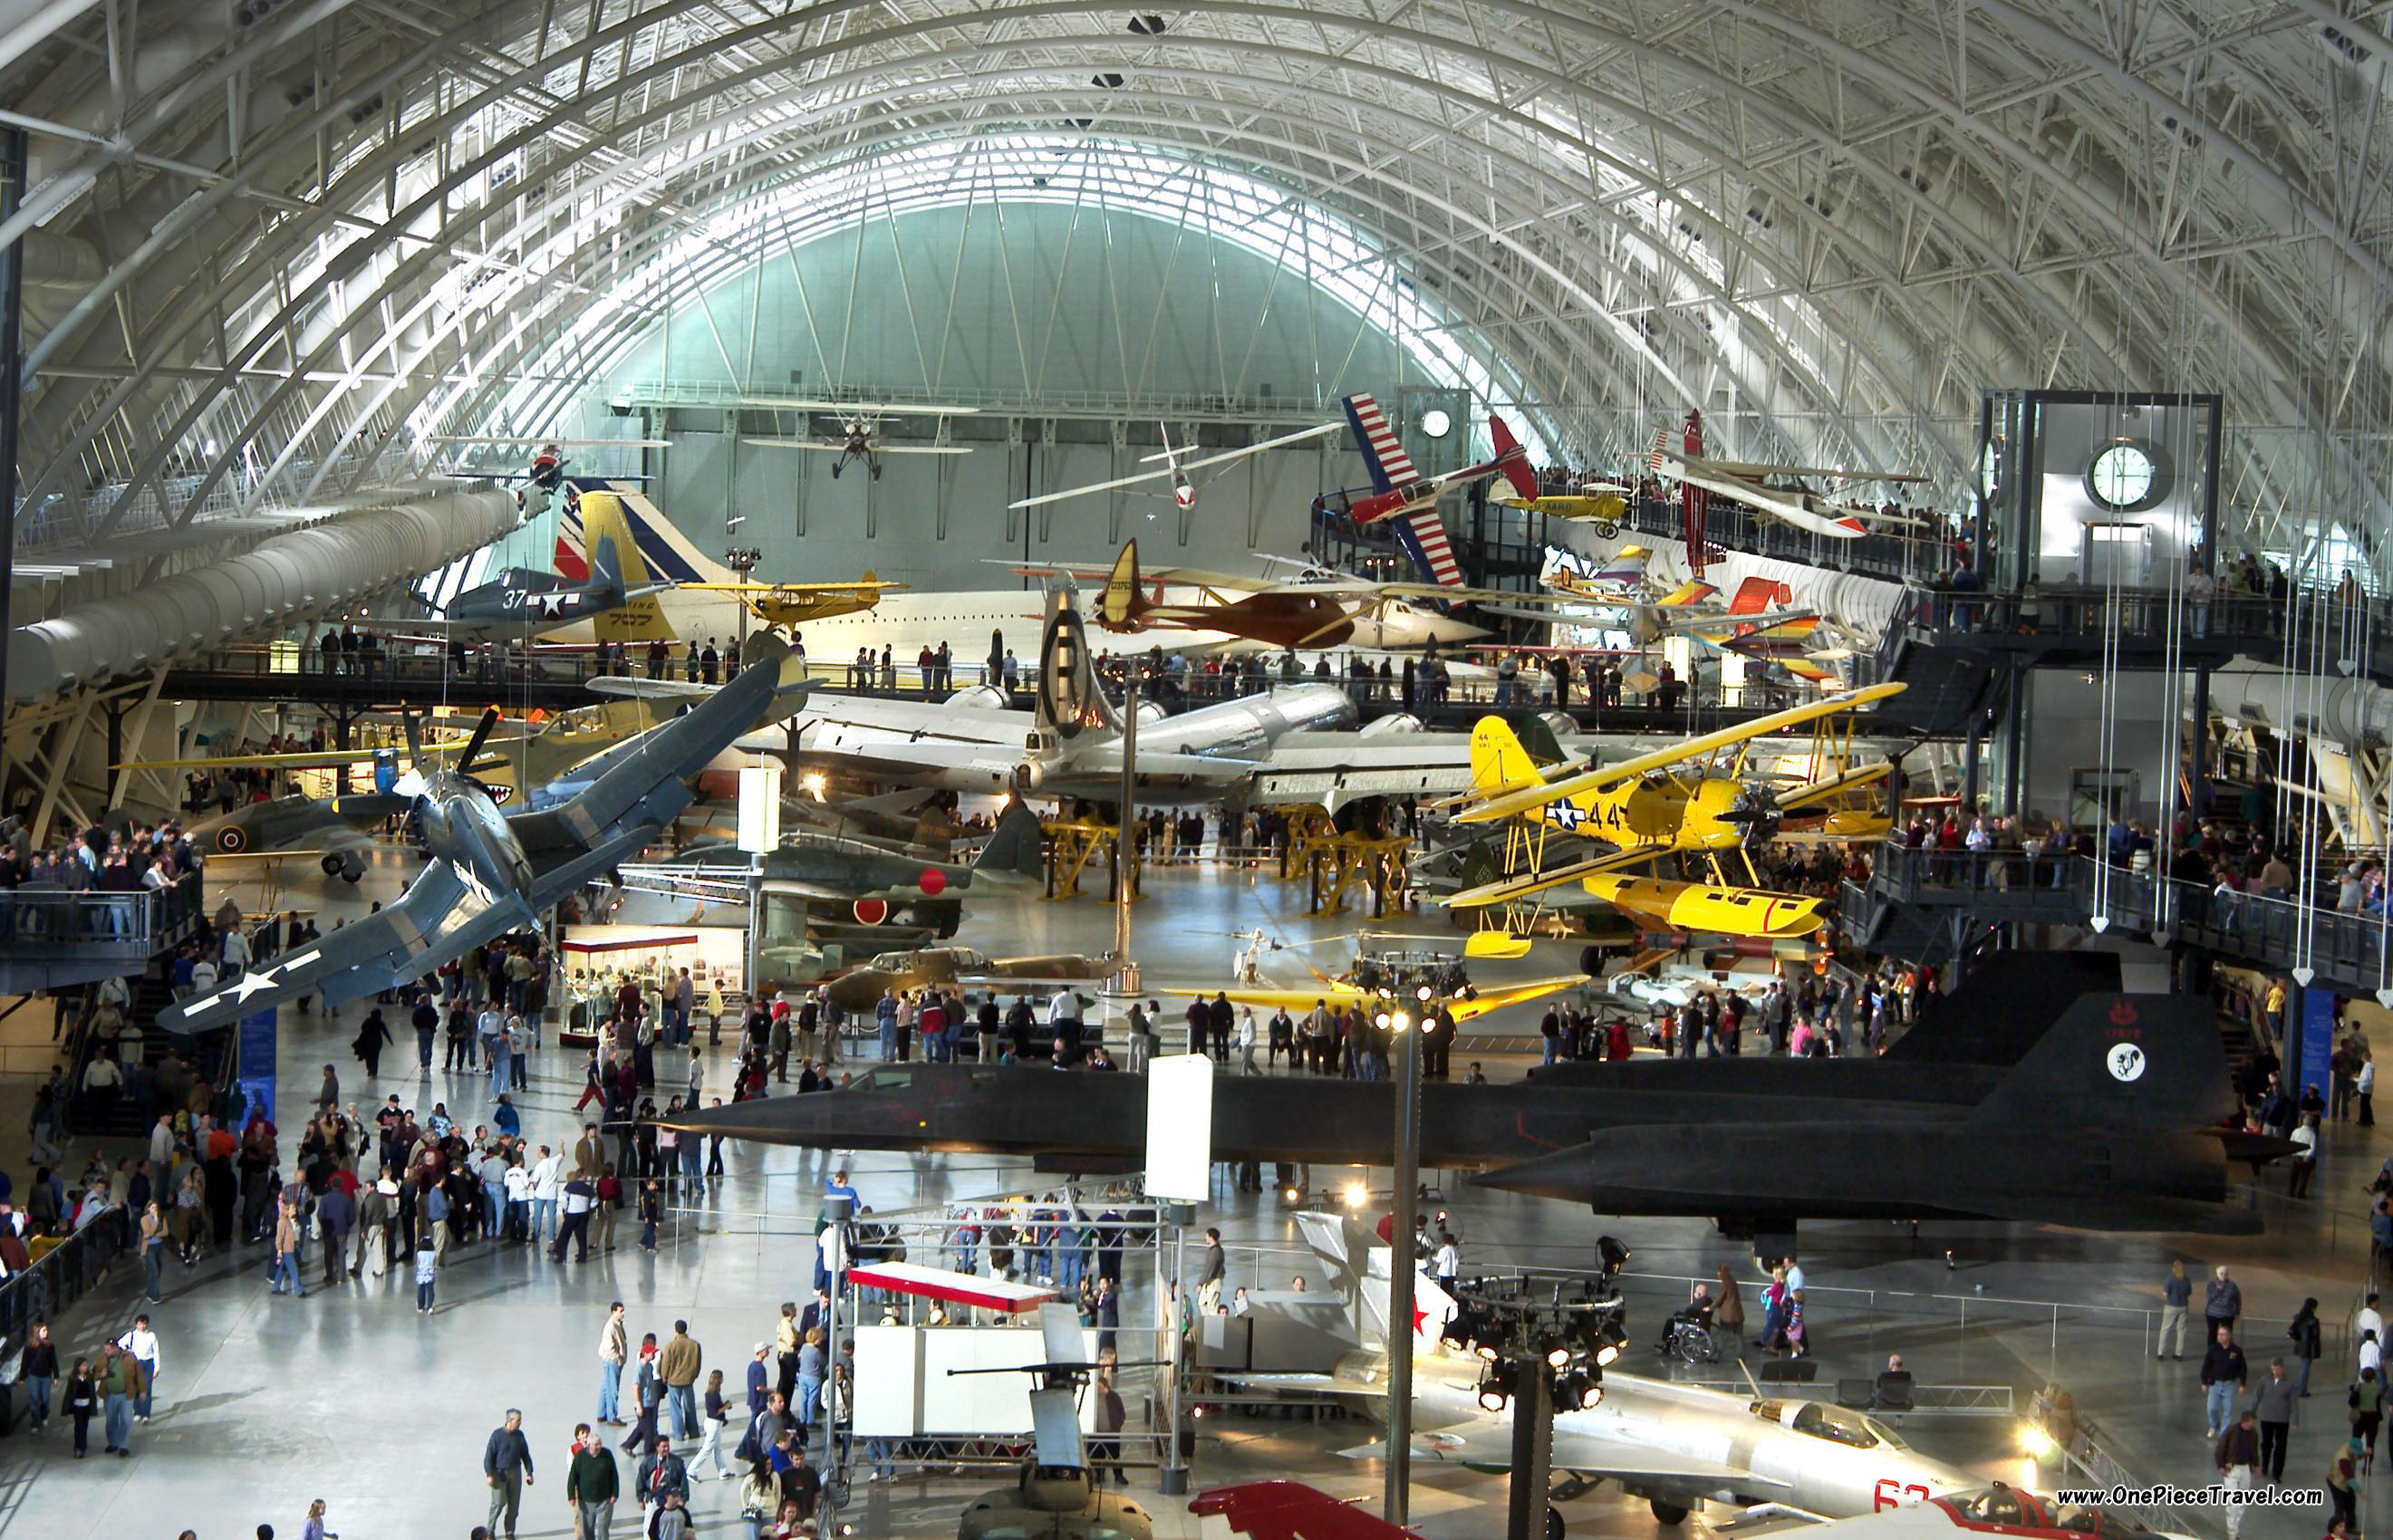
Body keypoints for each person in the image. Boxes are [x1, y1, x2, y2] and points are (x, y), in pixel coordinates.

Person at [484, 1407, 536, 1540]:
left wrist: (529, 1472)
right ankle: (490, 1530)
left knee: (514, 1504)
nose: (520, 1423)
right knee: (499, 1503)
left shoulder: (520, 1435)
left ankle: (509, 1532)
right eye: (518, 1420)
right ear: (510, 1420)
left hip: (515, 1472)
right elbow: (489, 1457)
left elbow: (525, 1455)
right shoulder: (497, 1435)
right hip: (499, 1473)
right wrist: (489, 1474)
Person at [568, 1422, 620, 1540]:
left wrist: (614, 1494)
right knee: (586, 1530)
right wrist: (571, 1495)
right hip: (586, 1501)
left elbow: (614, 1476)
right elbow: (573, 1476)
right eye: (595, 1445)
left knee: (603, 1529)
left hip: (605, 1501)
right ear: (589, 1445)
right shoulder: (580, 1456)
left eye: (599, 1444)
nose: (598, 1447)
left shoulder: (607, 1454)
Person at [2216, 1409, 2258, 1539]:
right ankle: (2232, 1532)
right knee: (2233, 1501)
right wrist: (2221, 1466)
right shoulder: (2231, 1432)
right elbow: (2220, 1449)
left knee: (2244, 1500)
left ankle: (2235, 1527)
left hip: (2245, 1468)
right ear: (2244, 1422)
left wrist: (2256, 1465)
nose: (2252, 1425)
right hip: (2231, 1469)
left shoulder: (2253, 1433)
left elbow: (2254, 1451)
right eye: (2251, 1423)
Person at [659, 1319, 703, 1440]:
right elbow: (698, 1364)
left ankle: (679, 1434)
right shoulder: (694, 1345)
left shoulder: (671, 1346)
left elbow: (665, 1364)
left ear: (675, 1330)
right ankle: (693, 1431)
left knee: (675, 1408)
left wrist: (664, 1378)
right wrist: (693, 1376)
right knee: (690, 1406)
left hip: (673, 1382)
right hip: (688, 1381)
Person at [2202, 1323, 2248, 1439]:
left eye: (2223, 1334)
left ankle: (2224, 1433)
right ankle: (2214, 1425)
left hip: (2229, 1385)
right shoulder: (2213, 1350)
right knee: (2211, 1408)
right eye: (2219, 1334)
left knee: (2227, 1410)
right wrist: (2204, 1382)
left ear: (2229, 1336)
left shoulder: (2236, 1351)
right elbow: (2206, 1367)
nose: (2220, 1336)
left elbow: (2242, 1368)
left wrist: (2242, 1383)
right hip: (2215, 1384)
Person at [116, 1313, 160, 1423]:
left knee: (146, 1389)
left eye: (144, 1323)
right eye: (140, 1324)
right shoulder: (131, 1335)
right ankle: (137, 1412)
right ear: (136, 1324)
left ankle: (146, 1415)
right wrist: (126, 1351)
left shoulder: (151, 1336)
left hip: (148, 1364)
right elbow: (118, 1345)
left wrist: (157, 1368)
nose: (142, 1326)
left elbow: (156, 1352)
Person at [20, 1321, 58, 1433]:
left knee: (45, 1400)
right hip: (33, 1376)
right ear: (37, 1332)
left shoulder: (50, 1346)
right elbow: (25, 1362)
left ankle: (44, 1415)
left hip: (46, 1376)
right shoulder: (29, 1347)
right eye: (44, 1330)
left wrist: (56, 1376)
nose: (46, 1332)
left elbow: (53, 1361)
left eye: (46, 1330)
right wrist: (22, 1378)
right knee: (34, 1398)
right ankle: (35, 1423)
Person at [694, 1367, 731, 1480]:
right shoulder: (713, 1395)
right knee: (707, 1448)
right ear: (718, 1379)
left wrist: (724, 1405)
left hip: (715, 1423)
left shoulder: (712, 1393)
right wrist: (726, 1406)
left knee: (717, 1449)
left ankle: (723, 1471)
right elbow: (715, 1412)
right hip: (713, 1424)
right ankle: (691, 1471)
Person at [599, 1302, 630, 1425]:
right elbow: (609, 1347)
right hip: (613, 1361)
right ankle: (612, 1417)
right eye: (620, 1311)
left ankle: (602, 1414)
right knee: (613, 1389)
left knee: (606, 1386)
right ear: (613, 1312)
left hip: (610, 1360)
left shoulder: (617, 1324)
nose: (623, 1313)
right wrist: (619, 1359)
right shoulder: (611, 1327)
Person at [63, 1355, 96, 1458]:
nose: (86, 1367)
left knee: (84, 1426)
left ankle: (83, 1447)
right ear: (78, 1367)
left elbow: (92, 1392)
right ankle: (78, 1447)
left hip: (86, 1405)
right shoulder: (73, 1379)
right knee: (78, 1426)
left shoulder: (90, 1377)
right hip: (77, 1406)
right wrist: (67, 1406)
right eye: (84, 1365)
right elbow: (69, 1393)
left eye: (86, 1365)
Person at [2292, 1297, 2324, 1398]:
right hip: (2309, 1348)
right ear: (2313, 1308)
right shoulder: (2314, 1321)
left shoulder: (2298, 1317)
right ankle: (2302, 1391)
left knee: (2303, 1368)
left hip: (2300, 1346)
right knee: (2305, 1369)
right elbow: (2315, 1334)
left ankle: (2298, 1387)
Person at [2159, 1259, 2191, 1359]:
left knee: (2165, 1329)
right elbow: (2189, 1293)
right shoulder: (2187, 1279)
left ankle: (2160, 1353)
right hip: (2183, 1307)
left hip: (2171, 1306)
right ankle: (2179, 1353)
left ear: (2174, 1269)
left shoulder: (2170, 1279)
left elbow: (2165, 1293)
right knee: (2181, 1331)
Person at [415, 1227, 438, 1314]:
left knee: (421, 1290)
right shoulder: (433, 1253)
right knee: (430, 1290)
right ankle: (430, 1307)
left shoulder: (419, 1253)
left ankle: (420, 1307)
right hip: (430, 1274)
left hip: (421, 1275)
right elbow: (434, 1263)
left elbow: (417, 1263)